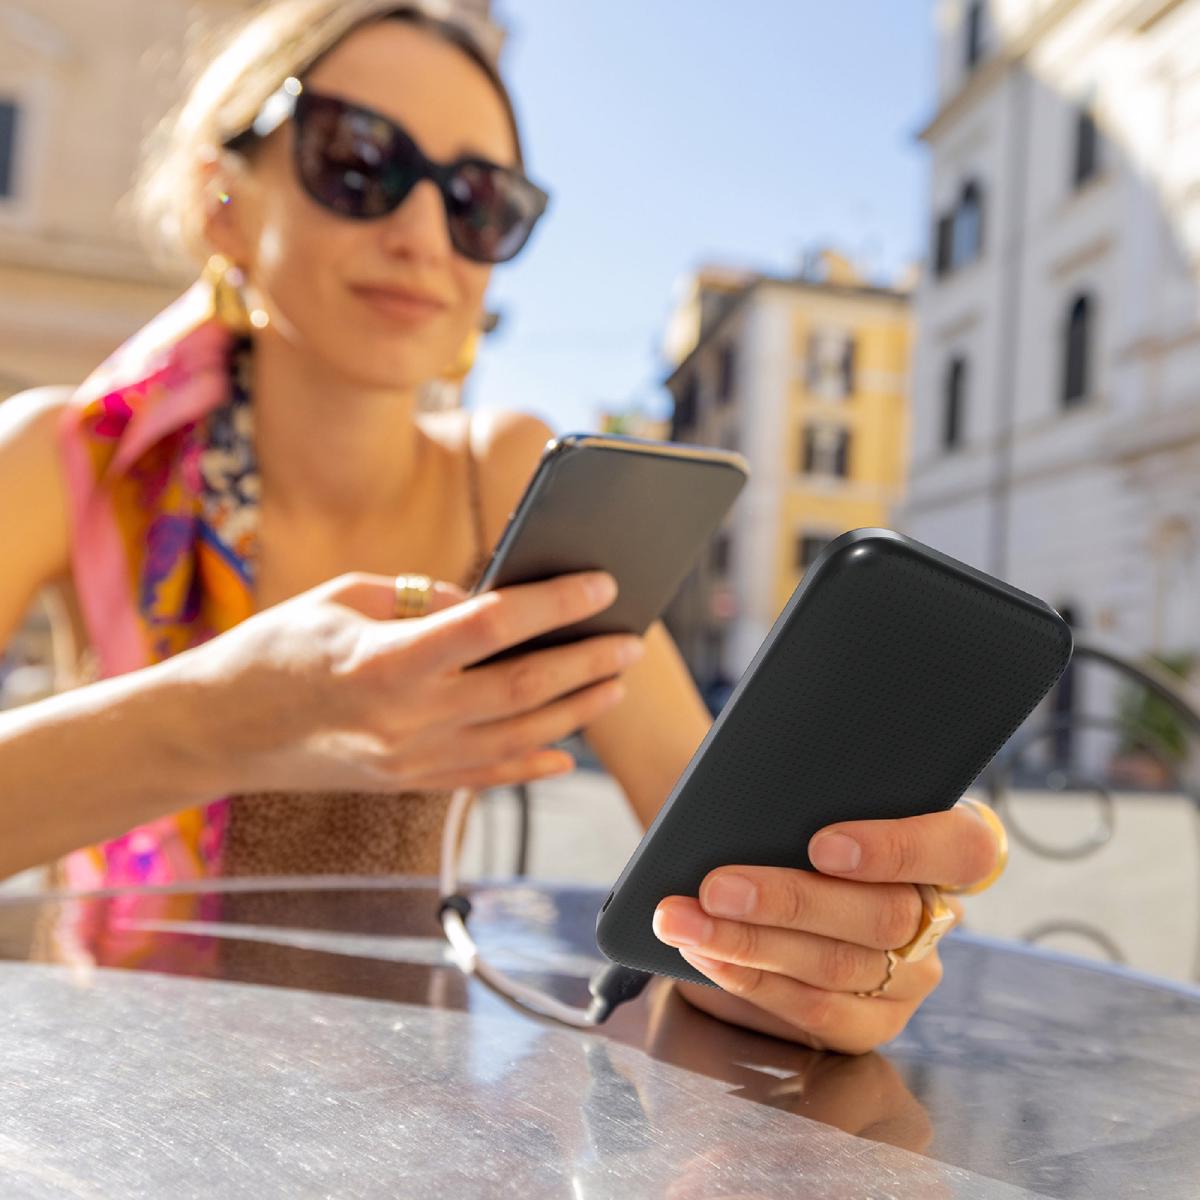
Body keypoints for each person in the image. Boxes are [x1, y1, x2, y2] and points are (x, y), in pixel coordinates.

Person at [0, 0, 1001, 1053]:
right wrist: (228, 717)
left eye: (479, 202)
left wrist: (809, 955)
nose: (422, 234)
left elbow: (710, 879)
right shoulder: (67, 458)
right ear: (224, 203)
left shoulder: (507, 475)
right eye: (358, 159)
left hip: (412, 1118)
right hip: (108, 1092)